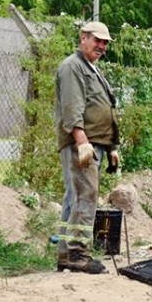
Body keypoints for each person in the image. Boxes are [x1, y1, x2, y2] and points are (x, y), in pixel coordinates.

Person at [54, 21, 121, 274]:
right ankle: (78, 255)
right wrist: (82, 142)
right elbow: (72, 107)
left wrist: (112, 145)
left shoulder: (91, 68)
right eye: (97, 40)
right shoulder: (73, 66)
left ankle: (65, 254)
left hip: (96, 143)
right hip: (82, 144)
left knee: (74, 198)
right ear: (83, 38)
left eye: (105, 42)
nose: (101, 46)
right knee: (85, 196)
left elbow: (104, 107)